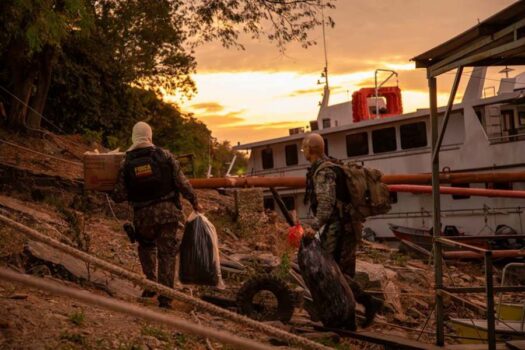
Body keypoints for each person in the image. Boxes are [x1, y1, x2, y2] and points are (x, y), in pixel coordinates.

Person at [112, 121, 202, 309]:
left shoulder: (126, 162)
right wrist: (195, 202)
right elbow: (182, 183)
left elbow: (119, 195)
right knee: (167, 254)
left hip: (143, 217)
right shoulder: (165, 156)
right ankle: (165, 299)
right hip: (168, 215)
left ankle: (151, 284)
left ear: (134, 137)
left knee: (146, 246)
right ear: (150, 135)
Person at [302, 133, 382, 327]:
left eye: (304, 147)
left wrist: (313, 227)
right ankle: (351, 318)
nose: (303, 151)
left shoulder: (323, 171)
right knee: (345, 272)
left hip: (337, 229)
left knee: (333, 272)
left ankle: (366, 303)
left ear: (310, 149)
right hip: (350, 225)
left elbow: (326, 204)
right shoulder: (334, 165)